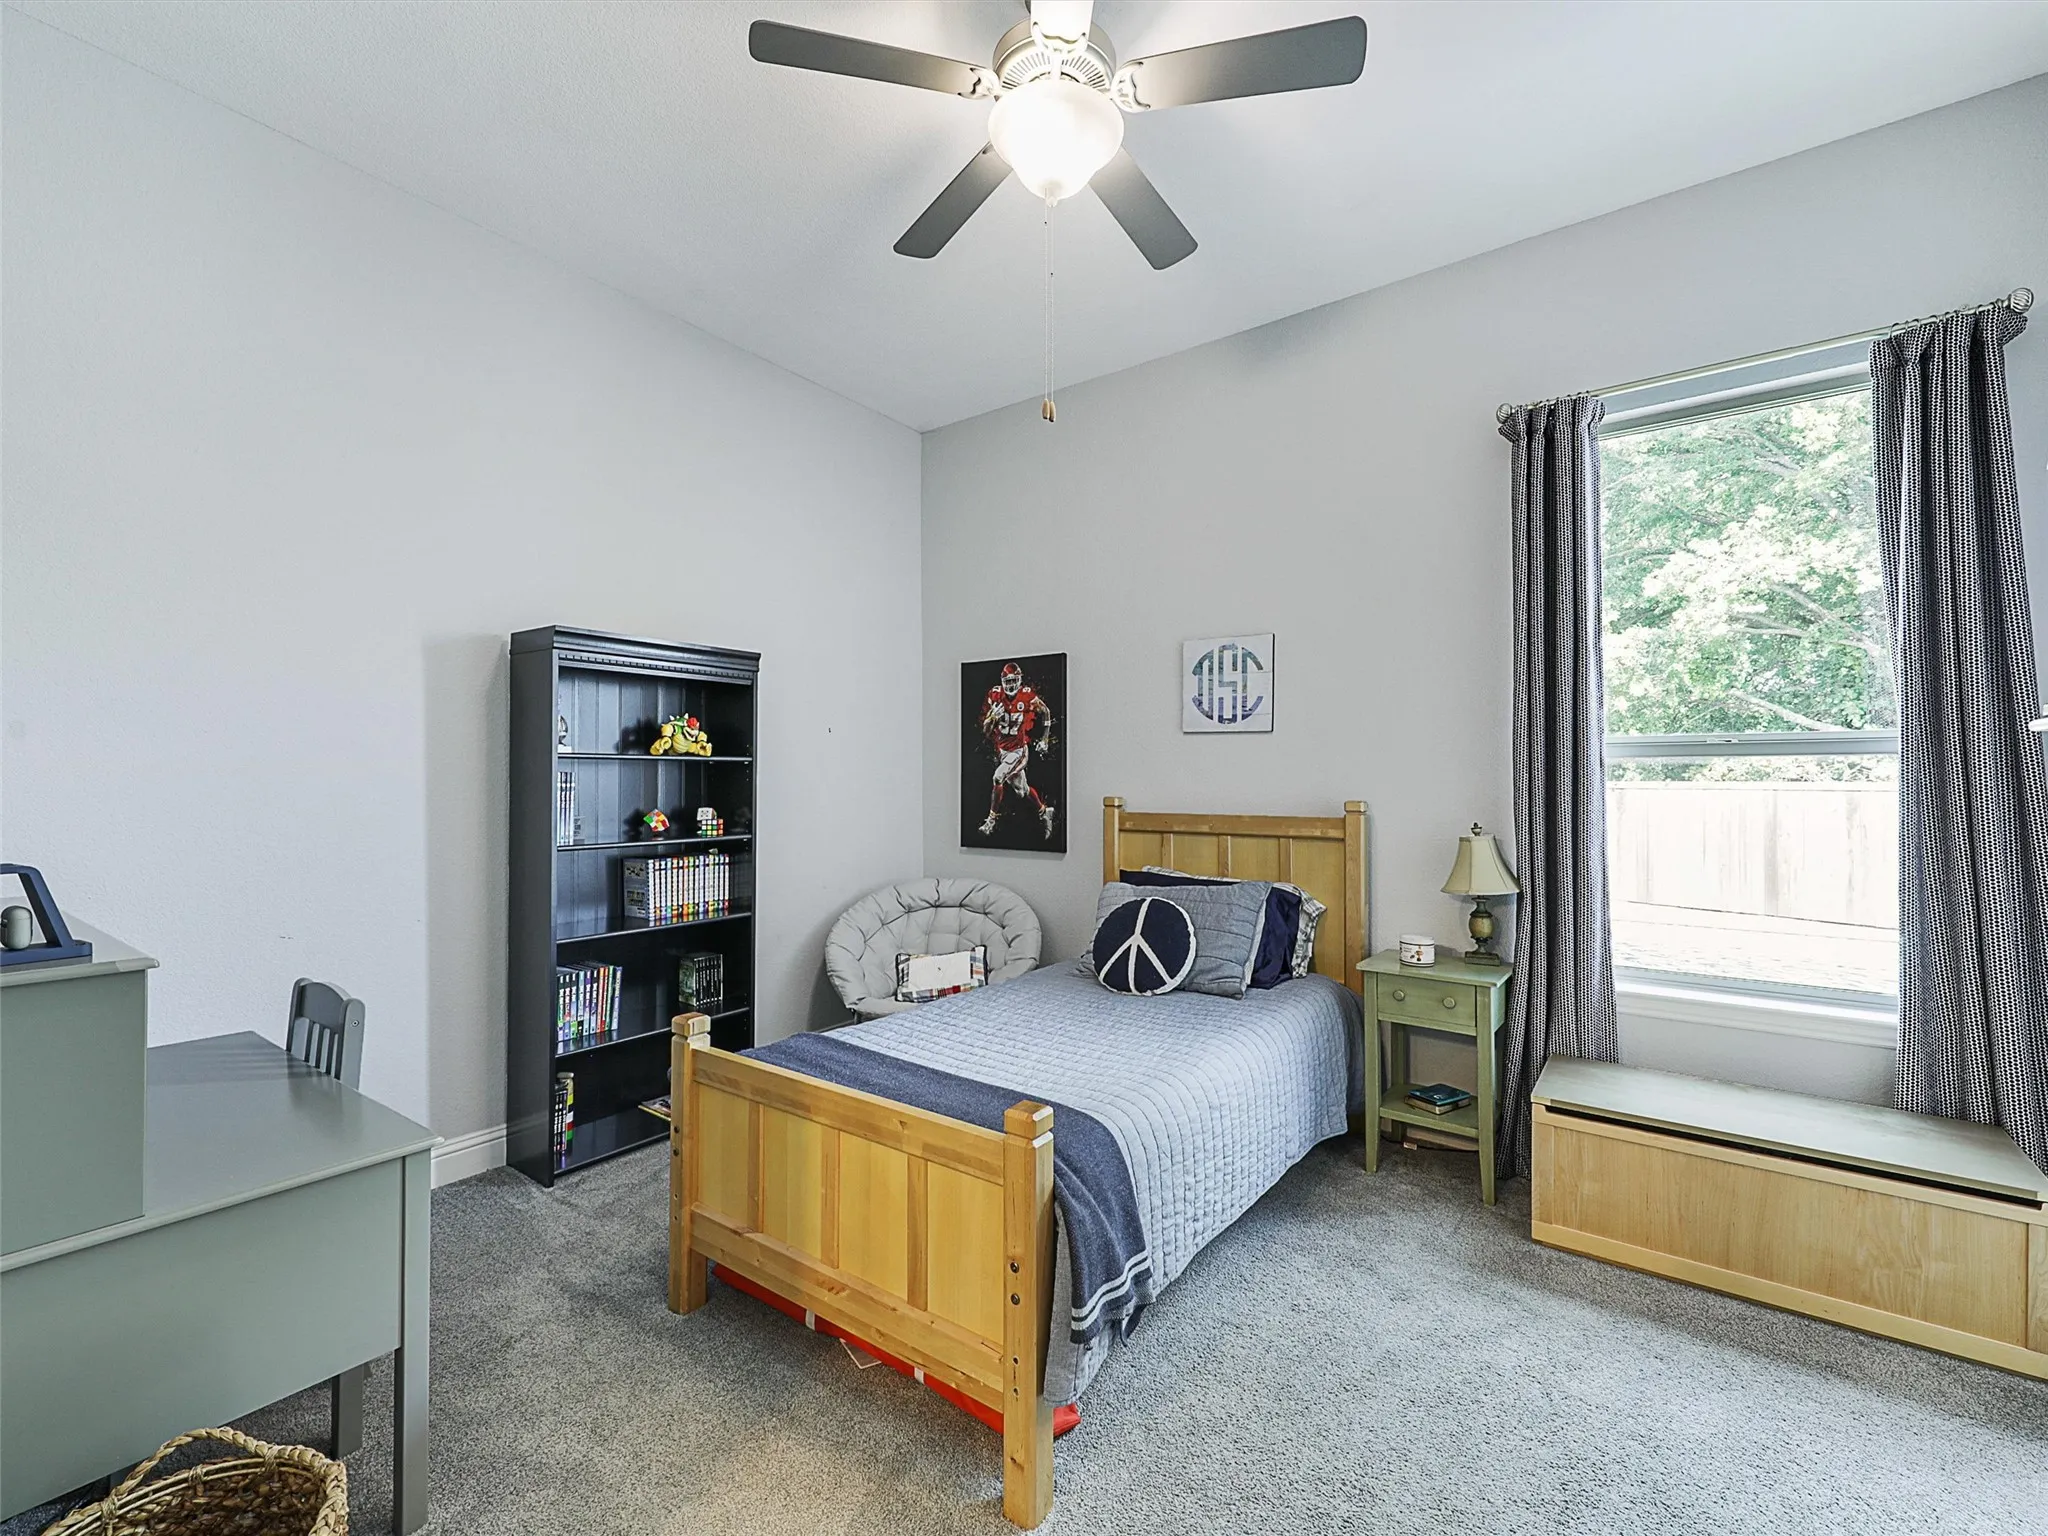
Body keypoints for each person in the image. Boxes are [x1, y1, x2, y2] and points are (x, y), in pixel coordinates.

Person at [978, 662, 1055, 840]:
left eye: (1015, 681)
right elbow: (986, 731)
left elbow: (1046, 711)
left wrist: (1044, 739)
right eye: (1008, 681)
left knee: (998, 777)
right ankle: (1045, 811)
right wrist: (991, 717)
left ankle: (991, 820)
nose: (1011, 685)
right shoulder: (995, 695)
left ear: (1019, 680)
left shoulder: (1026, 696)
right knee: (1022, 791)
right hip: (1003, 751)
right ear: (1003, 681)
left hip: (1019, 751)